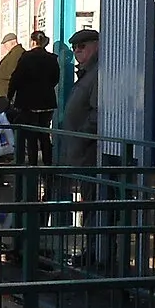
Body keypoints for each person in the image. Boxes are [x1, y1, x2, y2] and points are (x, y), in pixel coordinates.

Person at [59, 29, 102, 264]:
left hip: (89, 153)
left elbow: (96, 116)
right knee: (89, 202)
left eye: (82, 47)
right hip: (82, 151)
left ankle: (96, 253)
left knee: (94, 203)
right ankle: (93, 250)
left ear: (95, 46)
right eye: (75, 47)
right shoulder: (87, 73)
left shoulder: (96, 73)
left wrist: (81, 136)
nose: (77, 51)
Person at [7, 28, 61, 190]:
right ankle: (48, 167)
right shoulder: (52, 59)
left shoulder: (26, 58)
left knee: (30, 137)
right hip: (47, 103)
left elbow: (16, 78)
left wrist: (10, 97)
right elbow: (55, 79)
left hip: (28, 103)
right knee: (44, 135)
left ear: (32, 42)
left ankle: (32, 167)